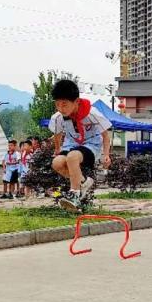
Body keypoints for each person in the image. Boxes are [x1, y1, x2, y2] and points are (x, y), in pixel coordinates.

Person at [48, 79, 112, 212]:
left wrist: (106, 154)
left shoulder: (92, 113)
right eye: (57, 105)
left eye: (64, 105)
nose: (61, 109)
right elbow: (57, 134)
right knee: (57, 163)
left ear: (76, 101)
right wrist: (57, 149)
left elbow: (106, 135)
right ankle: (83, 182)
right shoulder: (57, 117)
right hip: (70, 144)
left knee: (72, 157)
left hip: (91, 145)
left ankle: (74, 195)